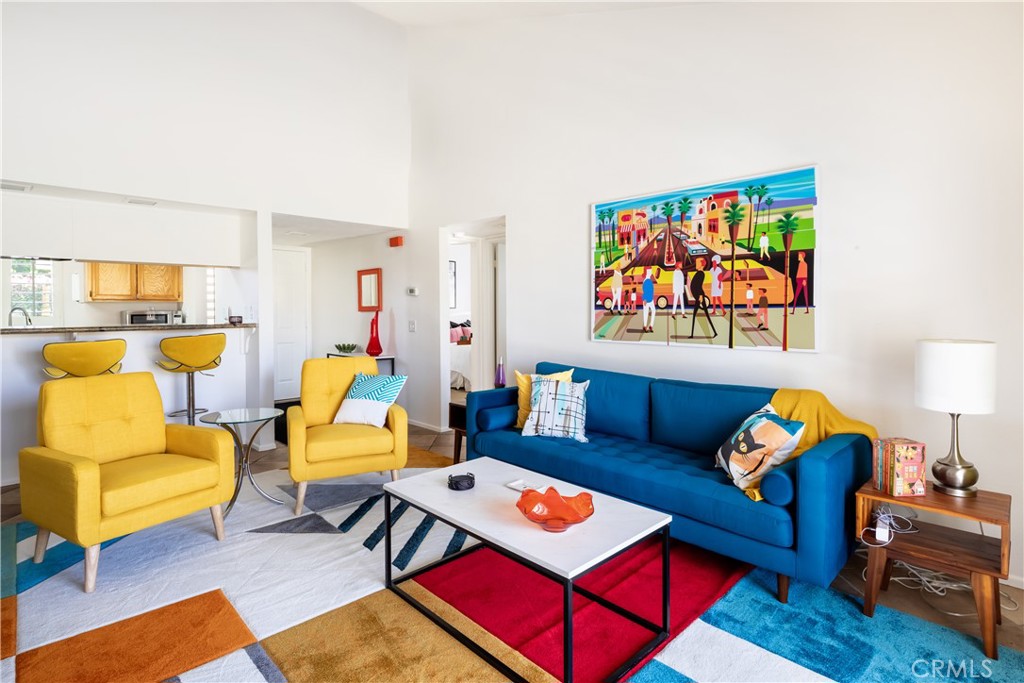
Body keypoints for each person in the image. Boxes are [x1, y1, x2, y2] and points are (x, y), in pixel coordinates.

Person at [641, 268, 656, 332]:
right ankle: (645, 326)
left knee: (653, 311)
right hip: (647, 300)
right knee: (646, 313)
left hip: (650, 299)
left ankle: (650, 326)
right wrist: (644, 299)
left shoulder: (648, 280)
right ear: (647, 272)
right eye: (650, 271)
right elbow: (645, 291)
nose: (651, 272)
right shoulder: (647, 281)